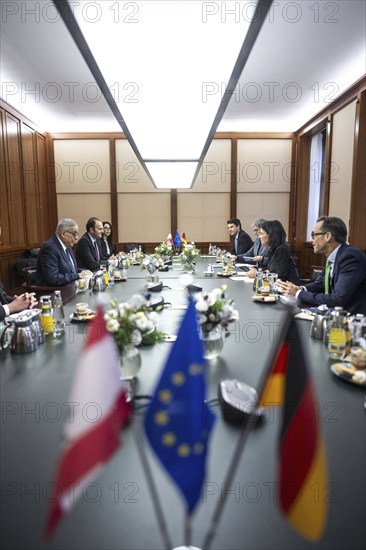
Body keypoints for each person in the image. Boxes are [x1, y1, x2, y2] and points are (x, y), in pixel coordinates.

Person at [277, 216, 366, 314]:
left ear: (327, 236)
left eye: (314, 235)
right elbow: (320, 283)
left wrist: (298, 293)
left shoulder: (350, 257)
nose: (312, 240)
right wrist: (300, 288)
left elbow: (337, 299)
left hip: (352, 320)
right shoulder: (334, 256)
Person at [36, 219, 92, 286]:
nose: (77, 238)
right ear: (63, 234)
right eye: (74, 234)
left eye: (77, 234)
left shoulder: (67, 245)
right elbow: (53, 278)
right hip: (55, 292)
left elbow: (71, 270)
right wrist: (78, 275)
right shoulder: (50, 248)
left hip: (69, 288)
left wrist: (83, 271)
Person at [247, 220, 300, 284]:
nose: (259, 237)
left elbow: (280, 276)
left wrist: (258, 273)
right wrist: (256, 269)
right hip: (276, 285)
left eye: (261, 234)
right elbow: (270, 269)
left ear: (271, 235)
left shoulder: (281, 249)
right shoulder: (272, 249)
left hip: (288, 288)